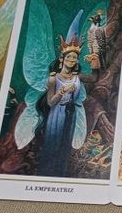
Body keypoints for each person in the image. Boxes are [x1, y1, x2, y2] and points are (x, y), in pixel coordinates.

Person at [35, 43, 85, 176]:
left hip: (71, 113)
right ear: (62, 59)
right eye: (69, 57)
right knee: (53, 144)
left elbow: (95, 78)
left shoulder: (77, 77)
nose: (72, 60)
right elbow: (50, 102)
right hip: (57, 113)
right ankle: (46, 174)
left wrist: (95, 60)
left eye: (74, 57)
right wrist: (62, 91)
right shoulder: (53, 79)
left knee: (65, 145)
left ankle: (60, 174)